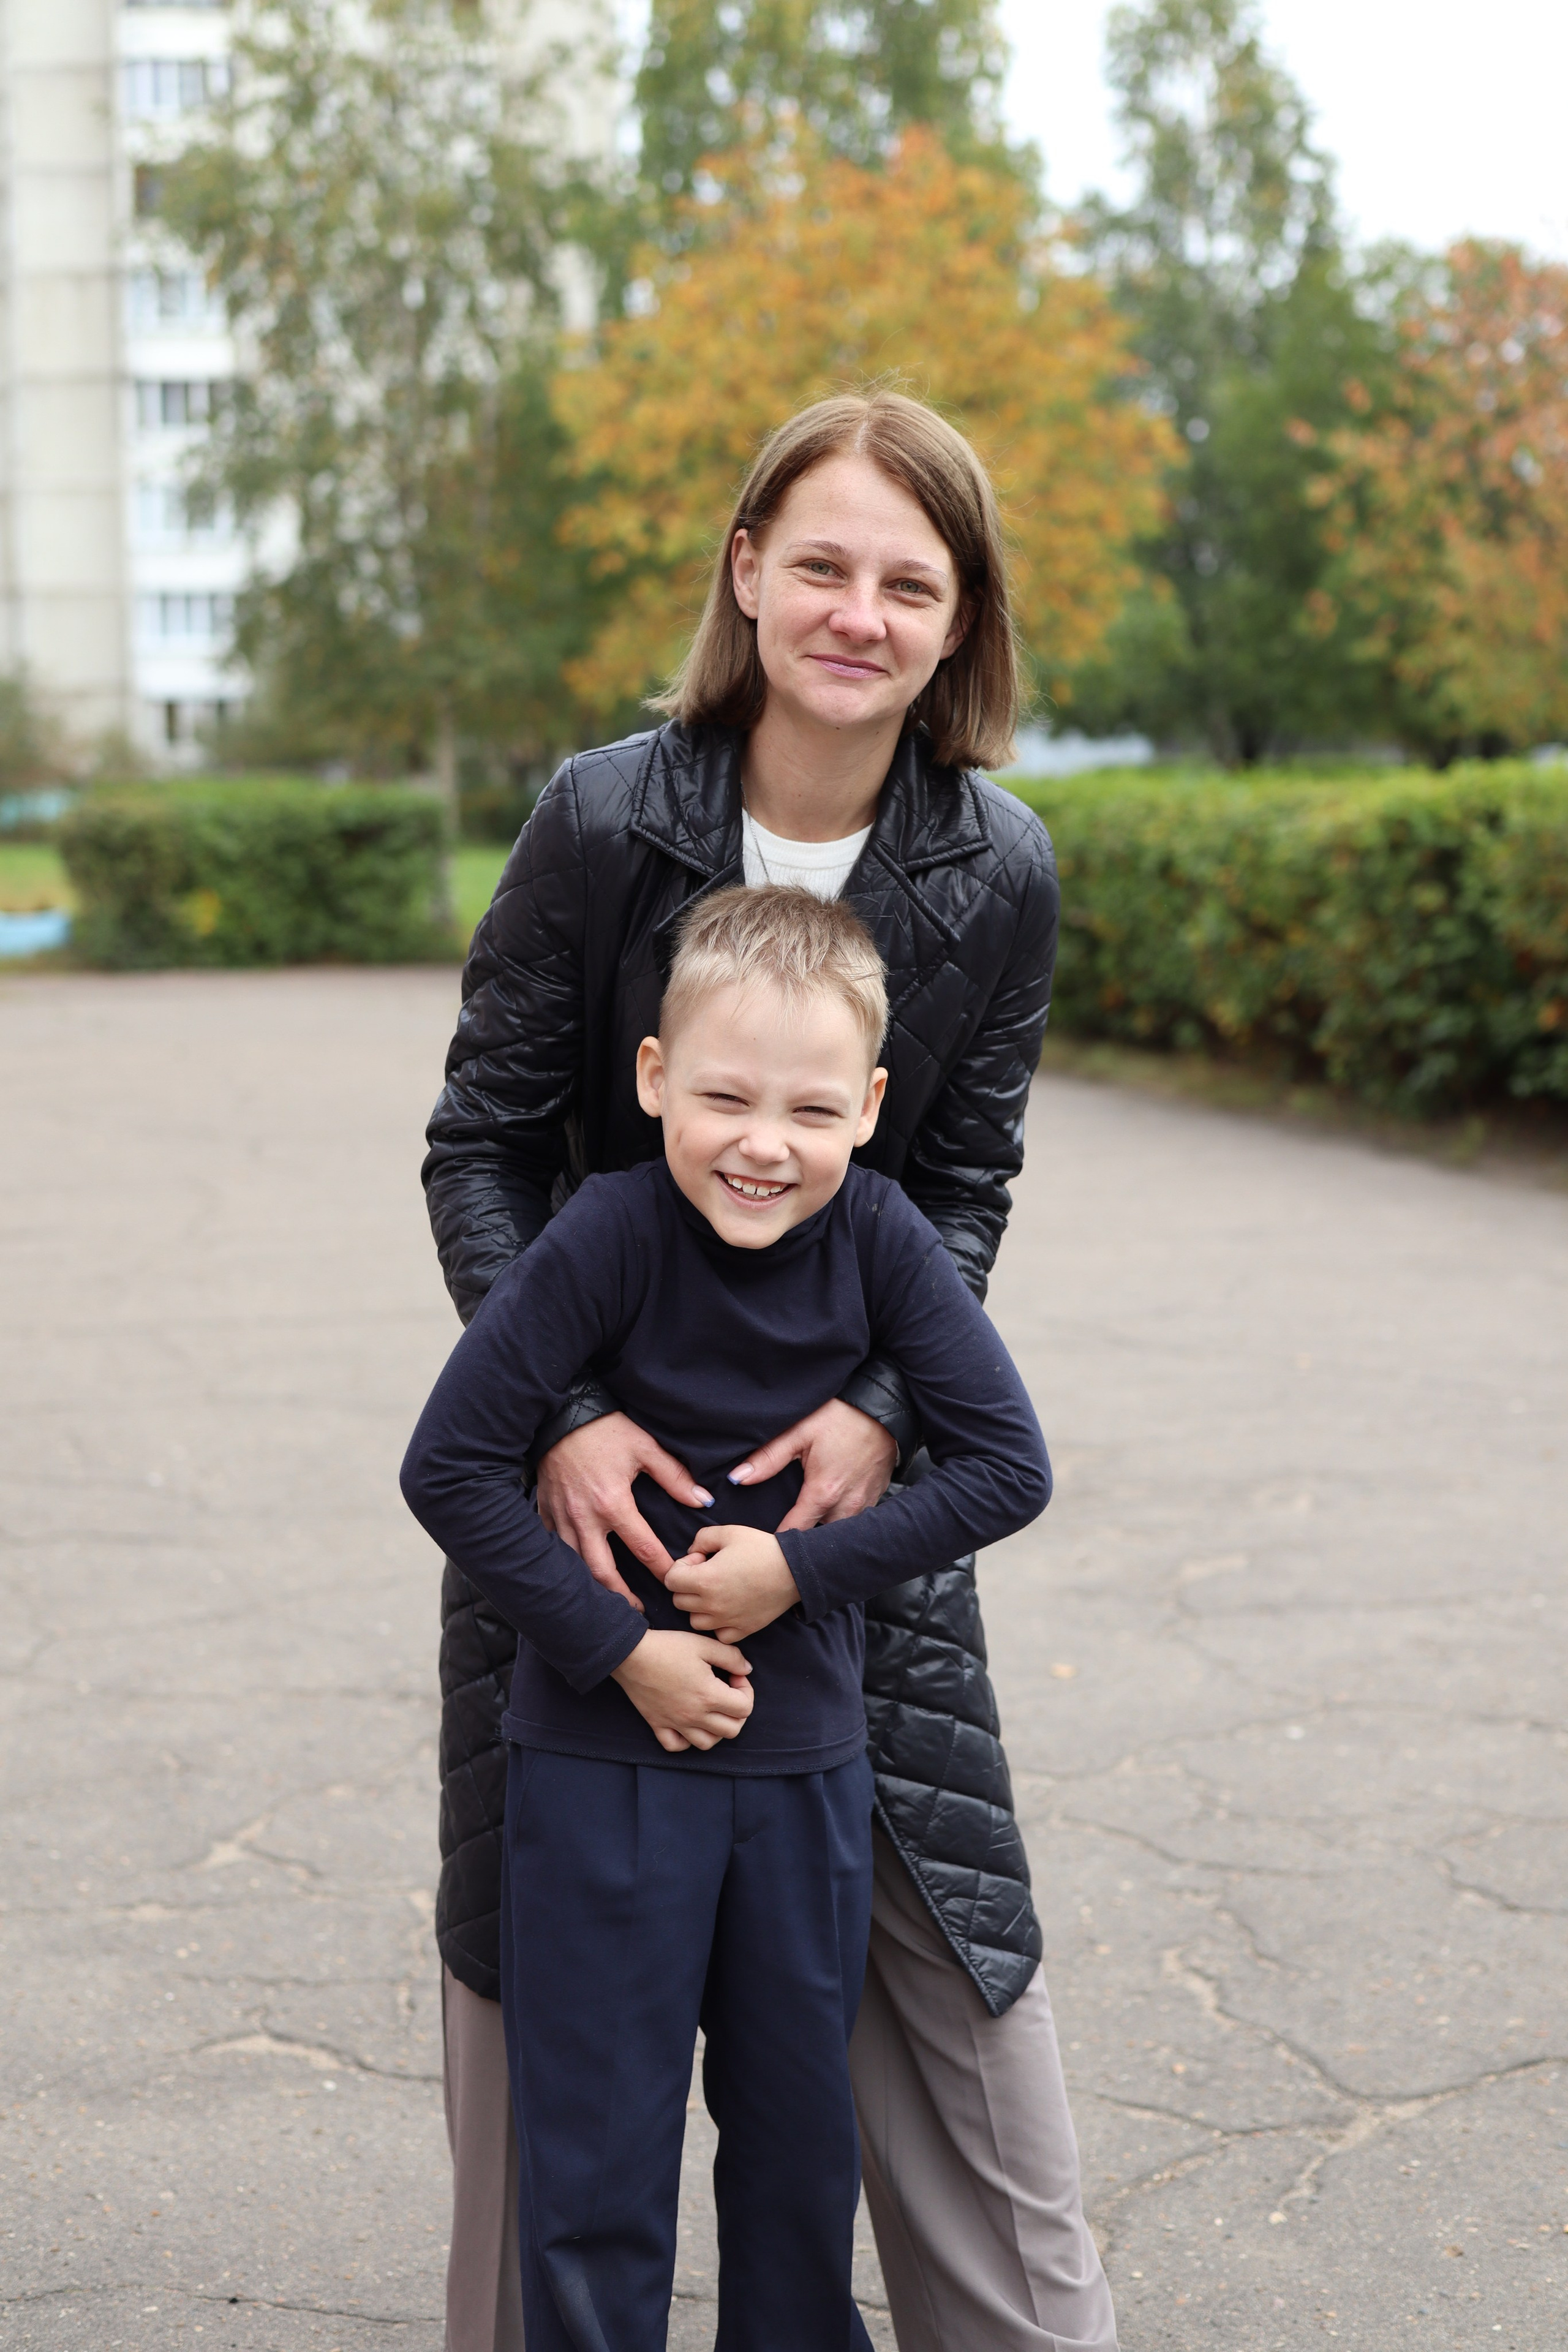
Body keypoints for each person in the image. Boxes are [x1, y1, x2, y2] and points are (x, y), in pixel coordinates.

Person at [424, 388, 1120, 2352]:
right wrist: (560, 1419)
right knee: (543, 2005)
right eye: (820, 561)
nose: (859, 610)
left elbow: (963, 1178)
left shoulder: (997, 868)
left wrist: (889, 1415)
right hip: (588, 1494)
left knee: (942, 1975)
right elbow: (478, 1141)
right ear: (746, 570)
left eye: (913, 580)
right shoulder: (601, 818)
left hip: (846, 1505)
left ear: (960, 618)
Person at [402, 886, 1054, 2352]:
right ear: (651, 1080)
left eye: (812, 1110)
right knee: (595, 2171)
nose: (765, 1143)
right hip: (594, 1769)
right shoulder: (601, 1237)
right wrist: (620, 1649)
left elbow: (1010, 1468)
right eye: (723, 1097)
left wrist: (797, 1575)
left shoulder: (883, 1241)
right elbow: (444, 1468)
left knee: (796, 2166)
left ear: (871, 1107)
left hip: (803, 1773)